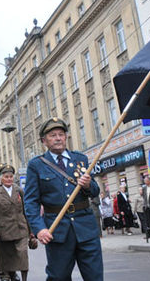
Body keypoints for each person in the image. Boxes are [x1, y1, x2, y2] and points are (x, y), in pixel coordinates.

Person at [24, 117, 103, 281]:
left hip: (86, 228)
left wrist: (88, 185)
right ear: (44, 141)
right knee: (58, 277)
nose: (58, 138)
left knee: (95, 276)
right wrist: (39, 228)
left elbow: (95, 191)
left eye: (61, 134)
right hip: (57, 230)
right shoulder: (36, 165)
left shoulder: (80, 159)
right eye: (53, 135)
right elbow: (31, 202)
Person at [0, 165, 30, 281]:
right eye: (6, 177)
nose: (9, 179)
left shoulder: (19, 190)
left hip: (20, 228)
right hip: (5, 231)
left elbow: (25, 211)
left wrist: (31, 232)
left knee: (23, 255)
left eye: (11, 177)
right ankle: (9, 275)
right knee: (9, 258)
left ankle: (24, 278)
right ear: (1, 178)